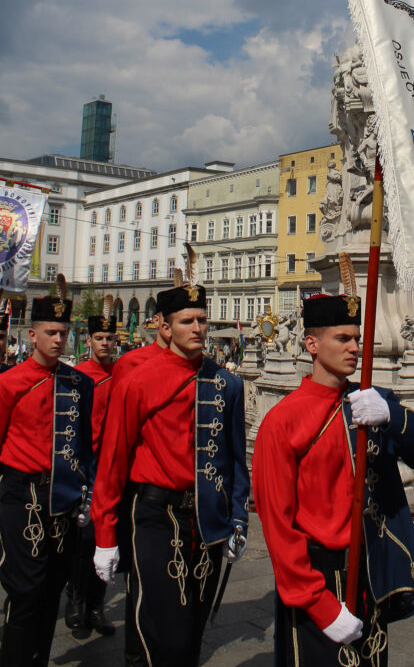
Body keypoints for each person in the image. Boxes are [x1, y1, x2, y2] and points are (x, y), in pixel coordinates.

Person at [252, 293, 414, 667]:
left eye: (357, 338)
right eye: (342, 339)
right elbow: (278, 525)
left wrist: (391, 415)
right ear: (312, 344)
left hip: (370, 572)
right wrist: (320, 604)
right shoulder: (281, 421)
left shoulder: (370, 405)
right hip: (317, 578)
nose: (354, 348)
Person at [91, 281, 250, 667]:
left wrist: (238, 518)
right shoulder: (138, 380)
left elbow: (234, 460)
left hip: (208, 518)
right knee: (166, 634)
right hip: (156, 515)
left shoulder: (227, 383)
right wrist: (105, 536)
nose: (197, 328)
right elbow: (113, 461)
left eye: (202, 320)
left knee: (193, 632)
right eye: (187, 321)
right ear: (166, 327)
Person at [0, 288, 94, 666]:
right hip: (22, 494)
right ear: (32, 335)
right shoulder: (9, 382)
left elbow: (83, 444)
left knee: (53, 586)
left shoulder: (79, 384)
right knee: (26, 589)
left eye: (63, 332)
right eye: (51, 332)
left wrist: (87, 493)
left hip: (62, 498)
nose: (58, 339)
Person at [65, 306, 118, 640]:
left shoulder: (120, 373)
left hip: (112, 468)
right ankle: (76, 599)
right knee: (82, 540)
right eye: (99, 338)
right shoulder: (79, 375)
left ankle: (97, 605)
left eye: (110, 338)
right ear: (88, 340)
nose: (105, 344)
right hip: (86, 465)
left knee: (106, 537)